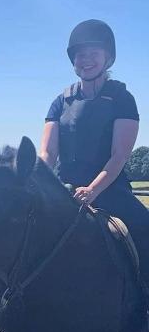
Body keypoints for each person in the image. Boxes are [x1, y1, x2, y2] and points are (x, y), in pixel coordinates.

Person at [40, 19, 149, 293]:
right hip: (63, 188)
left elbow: (119, 154)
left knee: (145, 227)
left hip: (108, 189)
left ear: (107, 58)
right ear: (73, 60)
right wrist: (37, 182)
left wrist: (92, 190)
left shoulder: (122, 99)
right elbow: (48, 152)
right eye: (80, 55)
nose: (85, 60)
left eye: (93, 54)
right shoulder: (60, 101)